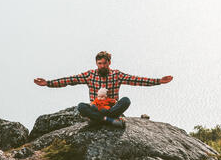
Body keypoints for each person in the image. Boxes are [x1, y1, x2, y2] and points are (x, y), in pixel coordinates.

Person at [34, 51, 173, 129]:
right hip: (96, 108)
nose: (101, 66)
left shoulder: (117, 75)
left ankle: (102, 120)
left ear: (109, 63)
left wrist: (158, 81)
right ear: (96, 64)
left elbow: (137, 80)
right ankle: (108, 120)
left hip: (112, 108)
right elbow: (70, 80)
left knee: (126, 101)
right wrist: (48, 83)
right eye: (99, 64)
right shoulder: (90, 75)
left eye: (104, 63)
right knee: (81, 107)